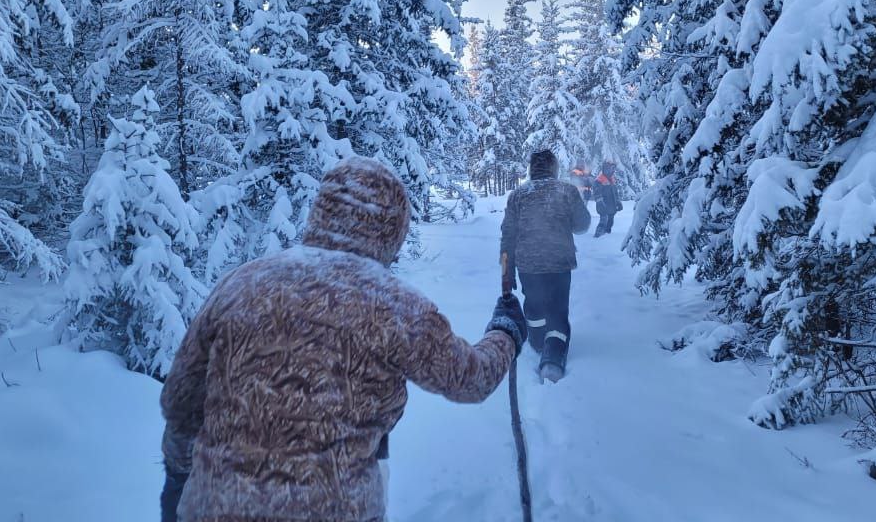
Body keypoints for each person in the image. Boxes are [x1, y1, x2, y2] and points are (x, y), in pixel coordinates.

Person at [158, 157, 526, 522]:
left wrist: (178, 475)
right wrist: (505, 333)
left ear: (322, 212)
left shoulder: (241, 285)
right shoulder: (397, 307)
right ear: (393, 229)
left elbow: (180, 401)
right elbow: (469, 379)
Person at [500, 149, 591, 382]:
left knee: (534, 306)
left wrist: (507, 272)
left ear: (532, 168)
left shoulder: (518, 194)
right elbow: (582, 226)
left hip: (528, 265)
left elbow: (508, 235)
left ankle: (538, 340)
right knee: (558, 310)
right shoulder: (567, 190)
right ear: (554, 168)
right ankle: (552, 359)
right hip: (559, 263)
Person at [592, 160, 622, 238]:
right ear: (605, 169)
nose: (613, 170)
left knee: (610, 222)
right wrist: (600, 202)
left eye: (613, 168)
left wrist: (618, 202)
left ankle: (607, 236)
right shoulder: (599, 180)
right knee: (603, 221)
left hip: (612, 205)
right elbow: (596, 192)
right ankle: (597, 236)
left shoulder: (612, 179)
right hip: (603, 205)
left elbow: (615, 192)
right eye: (611, 168)